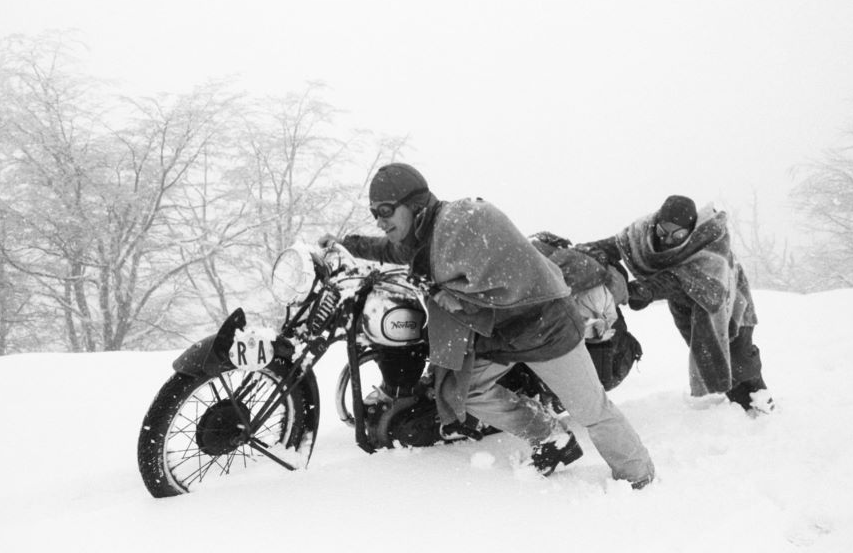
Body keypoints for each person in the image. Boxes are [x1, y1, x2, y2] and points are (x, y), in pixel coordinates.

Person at [319, 163, 655, 487]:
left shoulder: (463, 221)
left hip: (545, 327)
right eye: (374, 211)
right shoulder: (423, 237)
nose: (380, 220)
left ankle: (637, 476)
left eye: (386, 210)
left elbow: (513, 274)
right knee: (464, 391)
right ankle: (550, 436)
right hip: (500, 334)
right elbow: (393, 249)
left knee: (591, 410)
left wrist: (451, 297)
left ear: (413, 203)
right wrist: (348, 245)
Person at [577, 195, 775, 415]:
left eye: (678, 234)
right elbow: (616, 245)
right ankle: (739, 406)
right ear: (656, 225)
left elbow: (682, 280)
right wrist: (583, 253)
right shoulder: (643, 234)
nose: (668, 240)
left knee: (738, 353)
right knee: (711, 356)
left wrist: (645, 290)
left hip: (729, 303)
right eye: (664, 232)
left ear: (690, 230)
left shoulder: (710, 240)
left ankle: (760, 400)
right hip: (687, 309)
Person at [528, 232, 643, 392]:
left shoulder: (583, 277)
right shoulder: (567, 269)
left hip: (601, 341)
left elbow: (598, 330)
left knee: (595, 383)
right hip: (589, 334)